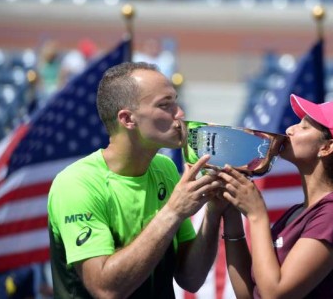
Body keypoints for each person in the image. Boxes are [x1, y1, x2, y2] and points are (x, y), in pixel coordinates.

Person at [47, 62, 226, 298]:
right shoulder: (76, 184)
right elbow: (105, 289)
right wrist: (173, 212)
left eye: (176, 101)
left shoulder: (165, 169)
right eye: (165, 105)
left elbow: (190, 278)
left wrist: (214, 211)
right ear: (127, 119)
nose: (180, 114)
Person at [217, 94, 333, 298]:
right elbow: (249, 295)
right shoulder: (298, 212)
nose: (289, 130)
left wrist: (257, 215)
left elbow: (275, 294)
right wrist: (231, 213)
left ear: (326, 147)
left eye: (305, 127)